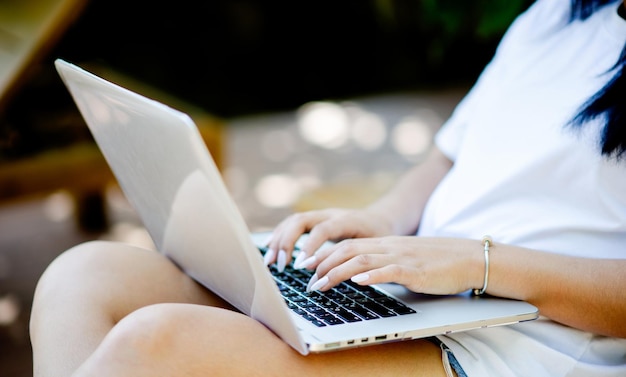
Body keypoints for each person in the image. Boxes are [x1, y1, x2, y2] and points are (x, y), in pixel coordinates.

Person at [30, 0, 626, 376]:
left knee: (158, 343)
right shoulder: (556, 14)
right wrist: (388, 219)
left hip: (522, 347)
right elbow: (451, 152)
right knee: (82, 276)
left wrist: (479, 263)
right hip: (416, 289)